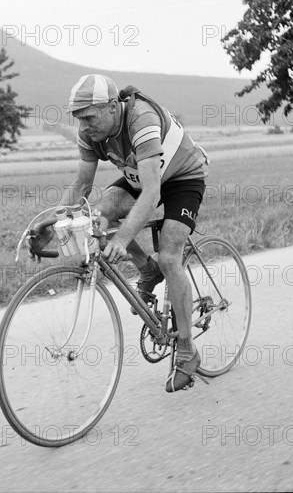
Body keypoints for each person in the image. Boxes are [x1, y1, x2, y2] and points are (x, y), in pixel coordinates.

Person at [31, 73, 209, 392]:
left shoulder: (142, 120)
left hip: (181, 178)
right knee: (99, 214)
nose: (84, 127)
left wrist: (124, 239)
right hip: (140, 176)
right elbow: (82, 186)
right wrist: (50, 221)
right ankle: (146, 269)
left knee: (170, 256)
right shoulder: (91, 132)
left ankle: (186, 350)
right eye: (78, 119)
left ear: (113, 107)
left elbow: (153, 193)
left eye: (89, 117)